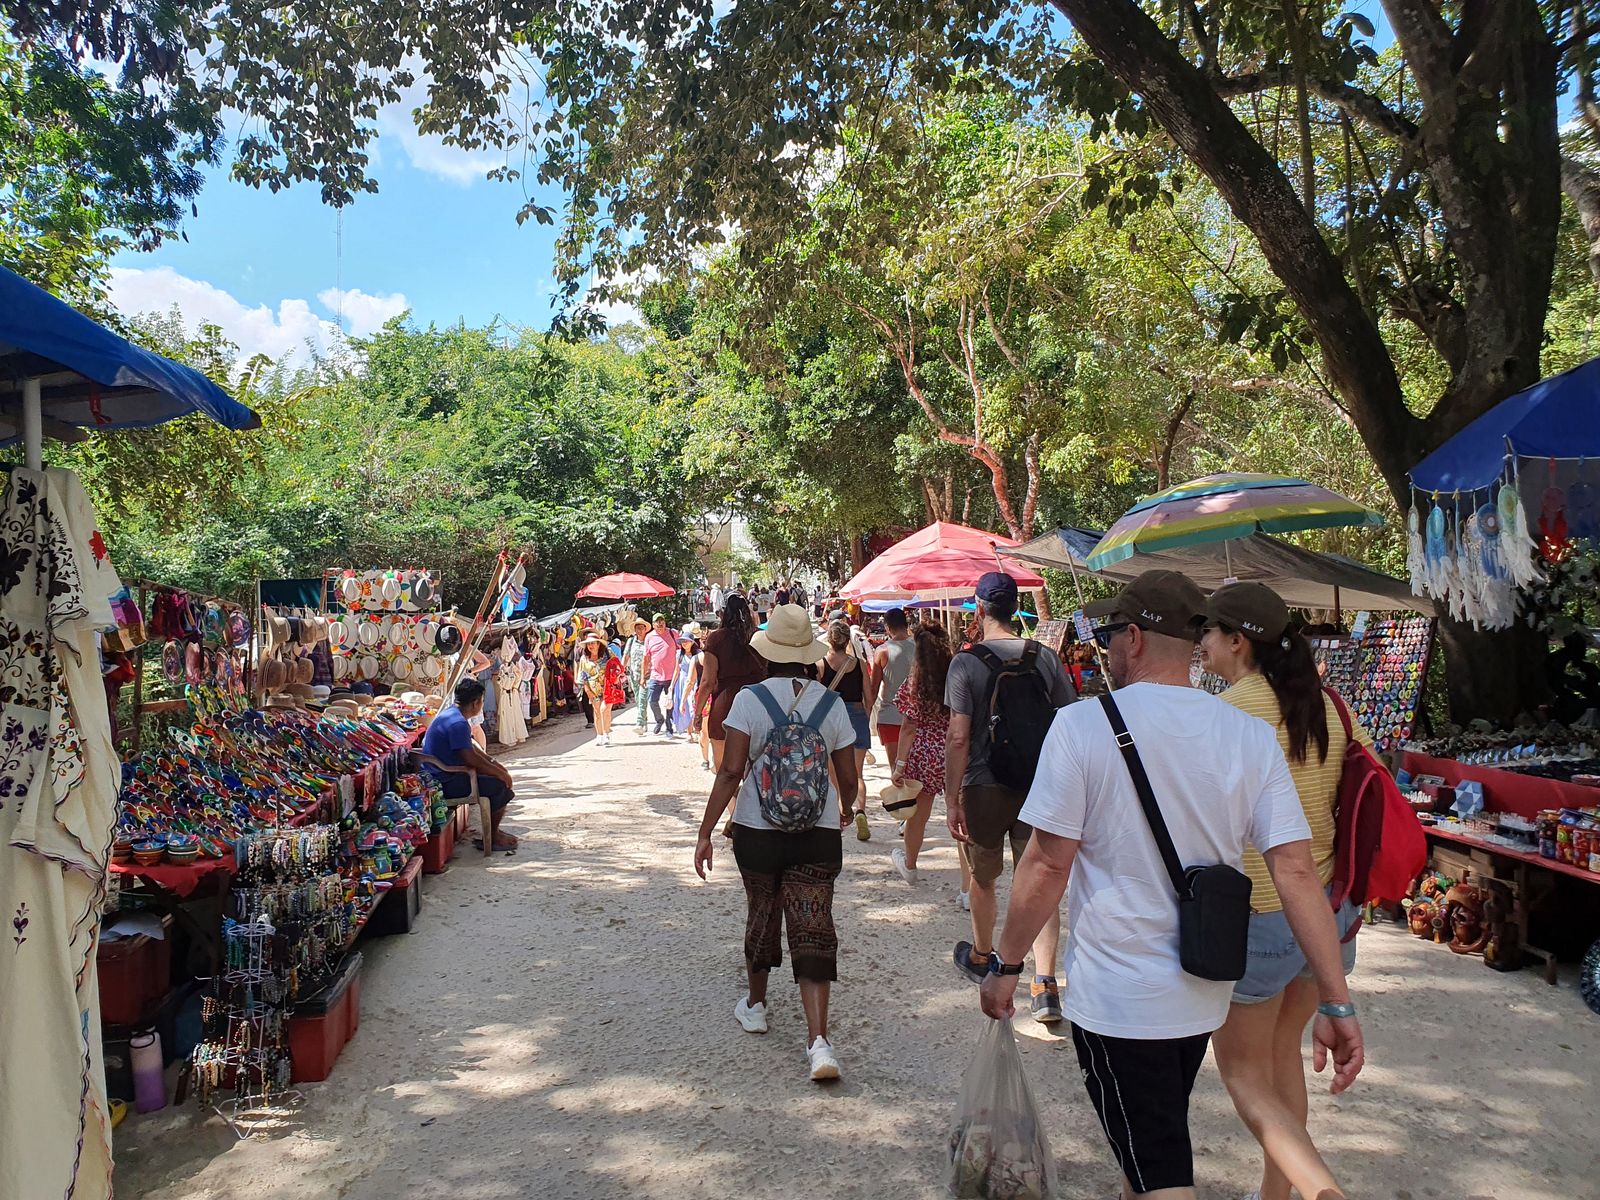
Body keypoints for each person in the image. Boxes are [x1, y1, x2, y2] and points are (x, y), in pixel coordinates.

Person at [977, 571, 1365, 1200]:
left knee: (1159, 1169)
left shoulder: (1081, 727)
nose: (1105, 647)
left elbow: (1047, 866)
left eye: (1110, 634)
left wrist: (1006, 965)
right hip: (1203, 990)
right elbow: (1295, 872)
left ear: (1133, 637)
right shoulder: (1247, 735)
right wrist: (1336, 1000)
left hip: (1119, 997)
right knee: (1149, 1147)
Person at [1199, 583, 1369, 1200]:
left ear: (1237, 640)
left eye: (1208, 632)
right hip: (1327, 913)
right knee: (1281, 1059)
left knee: (1247, 1074)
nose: (1201, 643)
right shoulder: (1329, 705)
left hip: (1263, 912)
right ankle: (1276, 1195)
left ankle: (1320, 1191)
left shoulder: (1227, 712)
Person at [693, 603, 861, 1083]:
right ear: (808, 654)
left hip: (756, 830)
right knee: (814, 925)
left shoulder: (749, 700)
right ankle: (819, 1041)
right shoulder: (831, 705)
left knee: (762, 912)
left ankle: (756, 1005)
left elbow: (730, 772)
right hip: (818, 834)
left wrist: (705, 832)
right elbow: (848, 780)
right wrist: (845, 807)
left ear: (766, 654)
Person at [945, 571, 1074, 1024]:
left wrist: (951, 798)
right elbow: (1069, 719)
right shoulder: (1044, 657)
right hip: (1039, 785)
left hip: (984, 786)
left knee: (983, 878)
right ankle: (1044, 984)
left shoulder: (965, 663)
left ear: (979, 608)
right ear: (1015, 607)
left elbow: (958, 737)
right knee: (1038, 878)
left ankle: (983, 955)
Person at [888, 623, 953, 885]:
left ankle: (911, 865)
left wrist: (899, 765)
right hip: (952, 750)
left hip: (923, 756)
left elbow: (908, 726)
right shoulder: (955, 677)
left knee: (918, 816)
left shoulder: (915, 683)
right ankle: (967, 885)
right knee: (959, 813)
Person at [421, 678, 518, 851]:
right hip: (445, 782)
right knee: (499, 786)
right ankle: (493, 836)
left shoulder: (452, 714)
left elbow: (473, 749)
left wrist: (496, 767)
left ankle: (493, 832)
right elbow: (470, 758)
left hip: (443, 775)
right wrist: (500, 774)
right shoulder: (458, 723)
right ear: (475, 703)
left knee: (498, 778)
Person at [698, 594, 767, 775]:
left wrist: (698, 713)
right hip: (756, 703)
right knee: (755, 770)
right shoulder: (759, 636)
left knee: (723, 769)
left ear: (724, 613)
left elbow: (707, 681)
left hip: (725, 703)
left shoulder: (716, 639)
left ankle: (730, 795)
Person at [817, 620, 873, 841]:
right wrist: (865, 718)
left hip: (830, 720)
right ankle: (859, 812)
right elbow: (869, 697)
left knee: (833, 774)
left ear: (829, 640)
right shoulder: (859, 664)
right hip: (856, 717)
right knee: (857, 773)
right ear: (847, 640)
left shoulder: (821, 664)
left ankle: (837, 818)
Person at [867, 606, 915, 770]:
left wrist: (867, 714)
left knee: (896, 770)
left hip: (890, 716)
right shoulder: (922, 648)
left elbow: (874, 689)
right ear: (906, 624)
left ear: (887, 627)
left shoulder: (882, 651)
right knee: (915, 772)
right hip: (917, 717)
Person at [576, 633, 625, 747]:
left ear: (598, 644)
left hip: (608, 688)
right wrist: (588, 691)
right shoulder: (584, 659)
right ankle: (599, 735)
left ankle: (606, 733)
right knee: (597, 712)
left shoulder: (608, 654)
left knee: (605, 710)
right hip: (593, 690)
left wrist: (616, 677)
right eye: (589, 644)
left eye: (593, 643)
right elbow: (583, 677)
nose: (590, 646)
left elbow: (617, 666)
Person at [642, 612, 679, 736]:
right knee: (652, 701)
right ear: (653, 624)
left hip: (671, 676)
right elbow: (646, 658)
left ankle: (669, 727)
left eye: (661, 621)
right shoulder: (649, 637)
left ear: (665, 622)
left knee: (670, 703)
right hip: (655, 675)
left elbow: (682, 650)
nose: (660, 624)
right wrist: (643, 676)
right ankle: (659, 720)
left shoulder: (673, 633)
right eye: (657, 622)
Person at [622, 616, 652, 735]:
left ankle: (639, 723)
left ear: (645, 629)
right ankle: (644, 721)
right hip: (634, 674)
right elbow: (626, 656)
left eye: (641, 628)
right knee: (638, 698)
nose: (639, 630)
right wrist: (621, 669)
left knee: (643, 698)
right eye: (637, 628)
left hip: (647, 675)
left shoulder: (649, 641)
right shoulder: (631, 641)